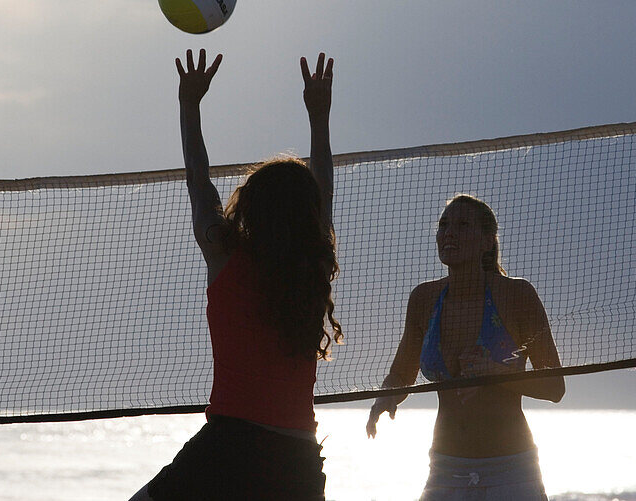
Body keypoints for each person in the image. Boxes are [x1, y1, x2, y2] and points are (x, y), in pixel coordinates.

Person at [130, 49, 341, 501]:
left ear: (250, 204)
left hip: (229, 448)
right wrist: (319, 117)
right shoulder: (313, 265)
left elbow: (198, 181)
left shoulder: (224, 256)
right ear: (307, 214)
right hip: (295, 460)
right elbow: (322, 188)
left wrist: (189, 105)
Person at [366, 194, 564, 501]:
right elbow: (400, 374)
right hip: (446, 469)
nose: (449, 233)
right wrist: (385, 399)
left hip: (511, 469)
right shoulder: (423, 299)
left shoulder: (516, 294)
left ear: (487, 241)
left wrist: (497, 374)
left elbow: (554, 386)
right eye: (444, 225)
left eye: (462, 225)